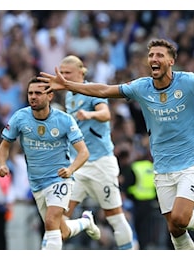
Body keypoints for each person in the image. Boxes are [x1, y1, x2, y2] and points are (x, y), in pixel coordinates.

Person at [38, 38, 194, 250]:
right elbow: (105, 90)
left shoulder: (189, 82)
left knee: (182, 217)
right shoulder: (141, 87)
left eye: (159, 54)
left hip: (191, 160)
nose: (153, 59)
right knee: (174, 228)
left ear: (171, 60)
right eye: (150, 55)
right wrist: (70, 85)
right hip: (162, 166)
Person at [0, 77, 101, 250]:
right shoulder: (20, 117)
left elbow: (84, 152)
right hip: (37, 183)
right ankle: (85, 222)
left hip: (59, 178)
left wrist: (70, 169)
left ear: (50, 96)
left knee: (51, 221)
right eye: (30, 93)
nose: (33, 97)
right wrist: (2, 163)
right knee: (61, 231)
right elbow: (4, 146)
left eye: (38, 93)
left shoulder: (65, 120)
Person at [59, 55, 134, 250]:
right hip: (78, 165)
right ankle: (85, 223)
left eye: (68, 73)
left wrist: (90, 114)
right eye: (62, 73)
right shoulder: (69, 95)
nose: (64, 77)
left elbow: (106, 114)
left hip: (101, 163)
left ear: (81, 72)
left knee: (115, 217)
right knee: (58, 219)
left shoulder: (91, 91)